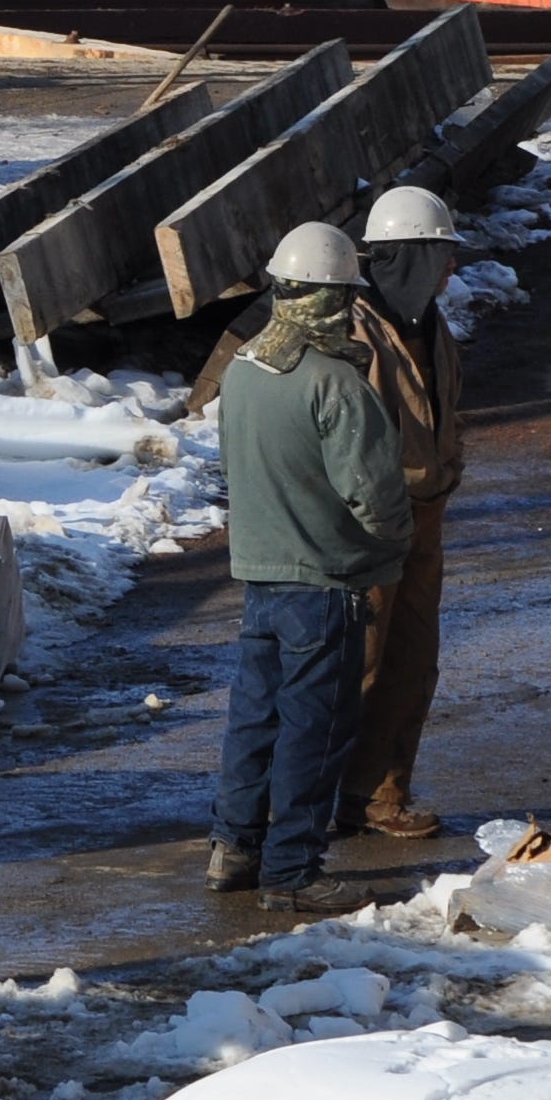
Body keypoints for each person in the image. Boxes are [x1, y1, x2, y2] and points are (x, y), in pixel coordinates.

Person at [193, 187, 469, 838]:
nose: (451, 270)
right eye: (441, 256)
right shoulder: (346, 331)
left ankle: (376, 794)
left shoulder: (430, 322)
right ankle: (296, 808)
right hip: (359, 527)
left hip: (419, 520)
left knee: (410, 663)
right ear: (407, 258)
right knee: (348, 670)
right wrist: (365, 519)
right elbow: (329, 440)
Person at [208, 221, 412, 912]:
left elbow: (233, 466)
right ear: (337, 299)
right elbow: (376, 497)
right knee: (315, 729)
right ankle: (292, 871)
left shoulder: (241, 372)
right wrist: (394, 548)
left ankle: (234, 848)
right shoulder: (337, 384)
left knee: (255, 718)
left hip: (261, 574)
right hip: (326, 582)